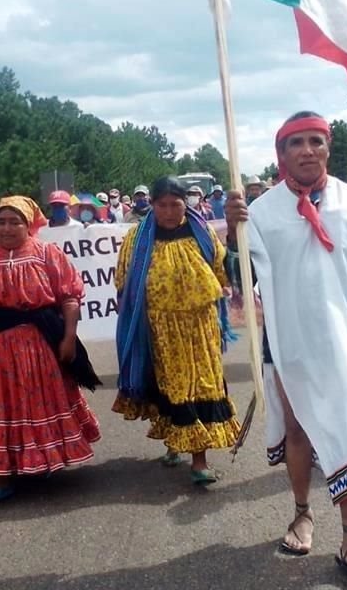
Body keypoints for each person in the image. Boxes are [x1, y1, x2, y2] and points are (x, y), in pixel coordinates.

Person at [225, 111, 347, 586]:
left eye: (316, 141)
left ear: (328, 148)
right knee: (298, 431)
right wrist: (234, 235)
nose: (307, 150)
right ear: (281, 153)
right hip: (288, 343)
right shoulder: (261, 212)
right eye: (296, 143)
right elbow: (240, 281)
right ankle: (302, 513)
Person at [0, 196, 101, 503]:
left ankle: (39, 461)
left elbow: (69, 297)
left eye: (14, 222)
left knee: (36, 405)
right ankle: (0, 478)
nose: (6, 228)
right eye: (1, 222)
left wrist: (69, 337)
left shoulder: (47, 253)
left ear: (28, 224)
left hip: (38, 346)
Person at [114, 176, 240, 485]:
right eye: (162, 205)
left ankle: (199, 461)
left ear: (187, 203)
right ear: (152, 205)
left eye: (176, 204)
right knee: (174, 387)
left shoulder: (202, 233)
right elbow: (124, 283)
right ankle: (176, 442)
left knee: (203, 386)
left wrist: (235, 233)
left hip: (201, 325)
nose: (169, 211)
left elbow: (222, 269)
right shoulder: (137, 239)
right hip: (161, 327)